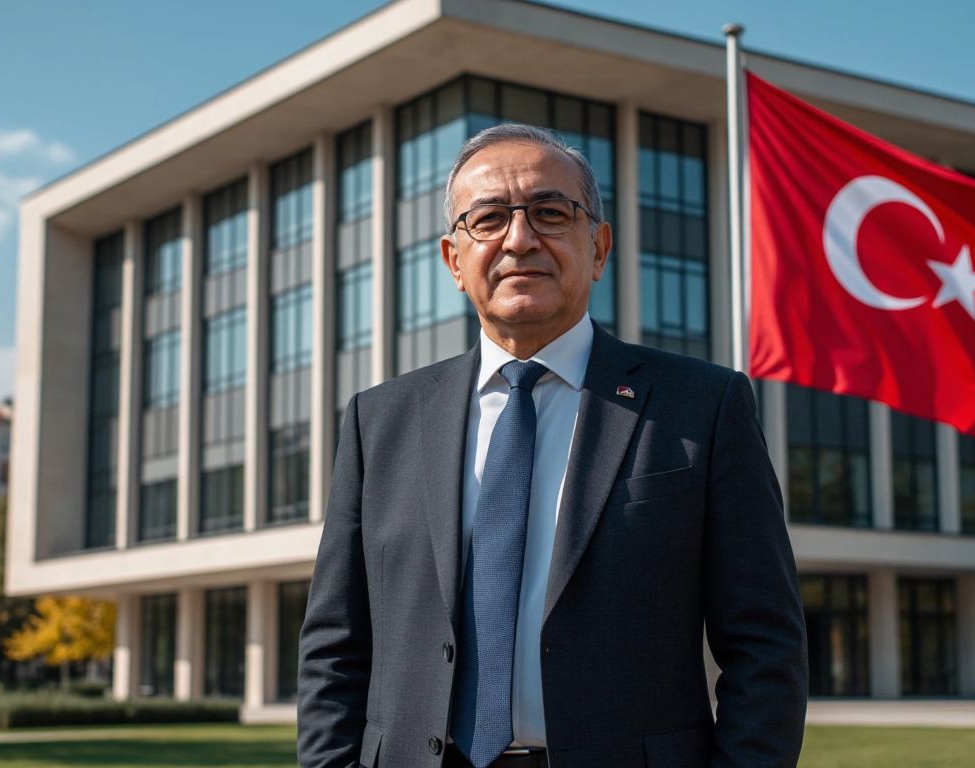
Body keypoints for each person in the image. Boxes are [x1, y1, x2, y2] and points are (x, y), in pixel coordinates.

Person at [298, 123, 807, 768]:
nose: (519, 238)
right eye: (487, 219)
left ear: (598, 248)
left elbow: (765, 643)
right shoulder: (381, 420)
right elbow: (335, 646)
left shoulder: (702, 407)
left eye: (549, 212)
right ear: (455, 261)